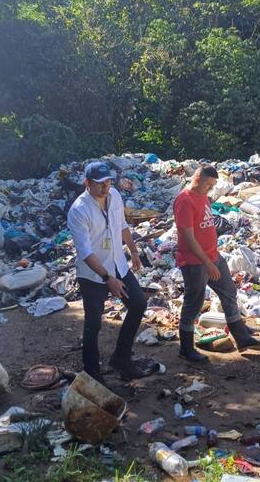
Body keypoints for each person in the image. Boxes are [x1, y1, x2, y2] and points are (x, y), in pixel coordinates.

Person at [67, 161, 155, 382]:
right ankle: (92, 373)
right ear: (86, 183)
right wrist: (108, 279)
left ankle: (121, 358)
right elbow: (85, 253)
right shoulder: (79, 210)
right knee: (93, 323)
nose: (105, 187)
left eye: (108, 182)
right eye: (100, 184)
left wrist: (134, 252)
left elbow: (122, 225)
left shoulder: (115, 195)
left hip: (118, 264)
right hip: (93, 275)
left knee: (138, 304)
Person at [174, 165, 260, 363]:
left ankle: (241, 337)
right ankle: (186, 348)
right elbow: (188, 237)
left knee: (229, 291)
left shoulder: (203, 197)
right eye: (209, 184)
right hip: (195, 262)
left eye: (213, 185)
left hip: (213, 256)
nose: (211, 188)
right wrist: (208, 264)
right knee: (193, 303)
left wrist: (213, 258)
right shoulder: (184, 201)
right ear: (197, 179)